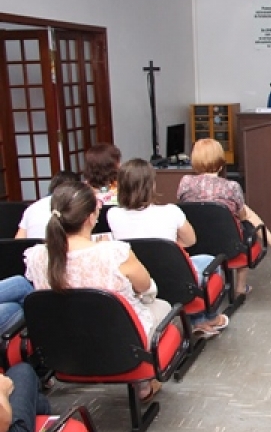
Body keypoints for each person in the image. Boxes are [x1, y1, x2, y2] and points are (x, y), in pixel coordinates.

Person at [23, 182, 168, 403]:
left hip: (64, 348)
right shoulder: (114, 252)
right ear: (91, 217)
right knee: (163, 307)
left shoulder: (36, 257)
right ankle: (144, 383)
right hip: (119, 343)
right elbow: (147, 288)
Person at [108, 158, 226, 338]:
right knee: (211, 261)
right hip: (173, 278)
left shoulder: (112, 214)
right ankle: (203, 318)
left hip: (138, 282)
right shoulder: (171, 212)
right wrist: (165, 246)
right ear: (151, 185)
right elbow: (190, 240)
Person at [177, 139, 271, 296]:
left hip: (196, 242)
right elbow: (242, 215)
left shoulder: (185, 182)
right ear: (221, 163)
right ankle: (241, 285)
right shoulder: (231, 187)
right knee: (244, 222)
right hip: (228, 243)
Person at [15, 170, 82, 239]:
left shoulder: (31, 208)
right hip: (60, 247)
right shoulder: (74, 205)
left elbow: (19, 239)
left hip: (32, 248)